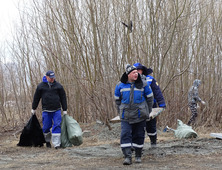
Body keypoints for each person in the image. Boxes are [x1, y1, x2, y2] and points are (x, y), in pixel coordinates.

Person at [114, 64, 153, 165]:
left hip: (140, 115)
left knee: (139, 135)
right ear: (128, 74)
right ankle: (127, 157)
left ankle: (138, 155)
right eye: (133, 73)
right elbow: (117, 100)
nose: (136, 74)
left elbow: (150, 98)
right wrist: (121, 110)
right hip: (126, 116)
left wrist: (147, 111)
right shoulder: (119, 85)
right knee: (125, 135)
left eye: (136, 72)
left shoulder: (144, 84)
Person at [31, 70, 68, 149]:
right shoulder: (41, 86)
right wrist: (34, 108)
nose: (52, 79)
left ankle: (57, 144)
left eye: (53, 77)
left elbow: (63, 97)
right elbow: (36, 98)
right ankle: (47, 141)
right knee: (46, 127)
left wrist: (65, 109)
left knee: (57, 125)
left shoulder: (58, 86)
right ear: (46, 77)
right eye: (50, 78)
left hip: (57, 110)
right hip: (46, 110)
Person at [133, 63, 166, 147]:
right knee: (137, 126)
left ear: (142, 70)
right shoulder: (130, 80)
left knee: (151, 125)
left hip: (150, 105)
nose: (138, 72)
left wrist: (161, 103)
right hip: (136, 107)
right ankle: (137, 145)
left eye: (139, 70)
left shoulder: (150, 79)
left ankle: (153, 142)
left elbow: (157, 91)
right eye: (136, 70)